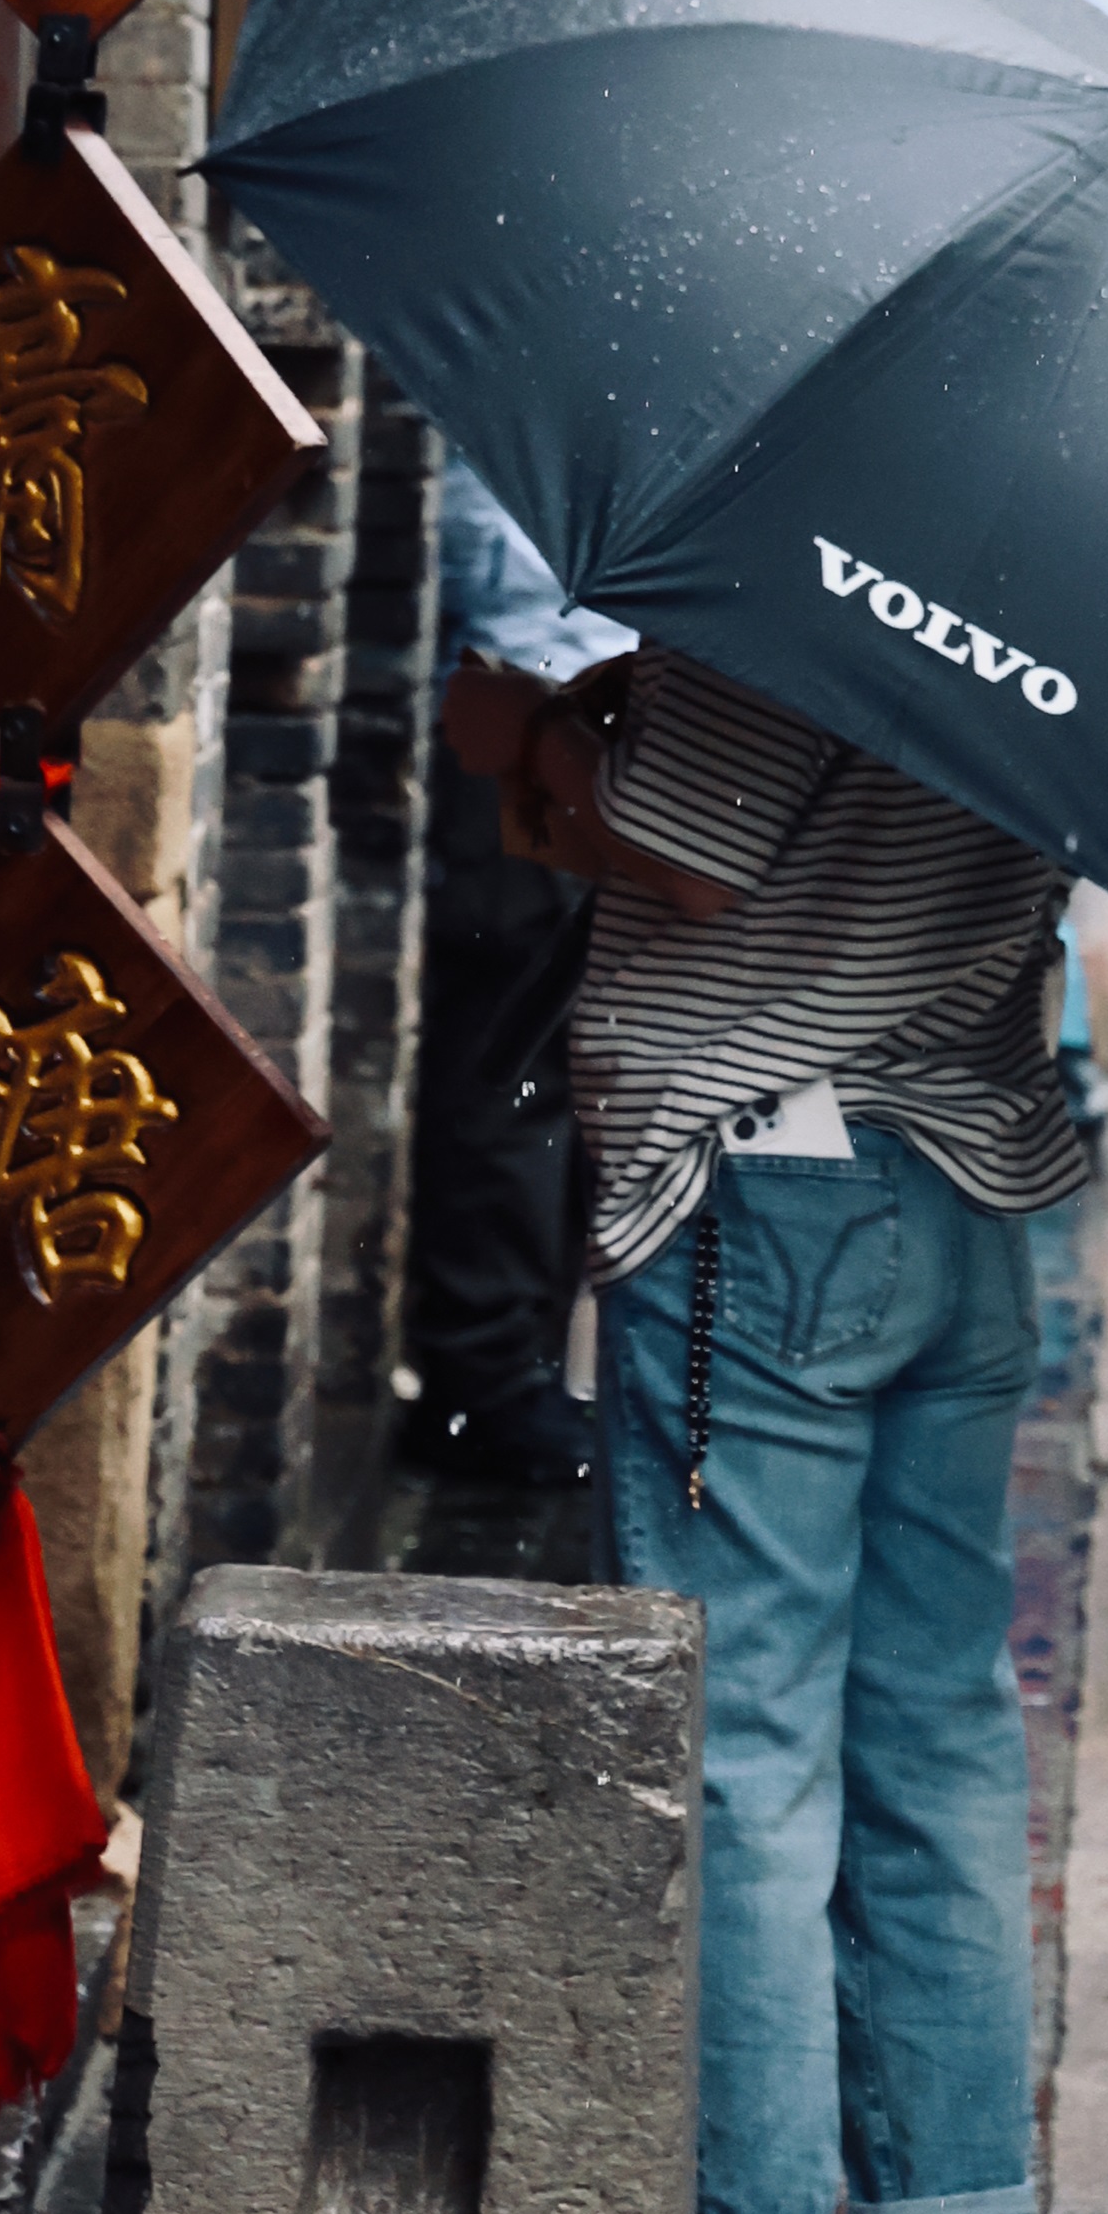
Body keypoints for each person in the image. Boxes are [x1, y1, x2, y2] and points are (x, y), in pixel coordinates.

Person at [557, 635, 1088, 2214]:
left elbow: (679, 843)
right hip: (974, 1188)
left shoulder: (806, 575)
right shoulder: (1098, 597)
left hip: (768, 1195)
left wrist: (538, 741)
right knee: (939, 1729)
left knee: (747, 1741)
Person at [400, 454, 610, 1494]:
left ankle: (516, 1366)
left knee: (565, 1064)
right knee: (512, 1066)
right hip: (530, 717)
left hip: (596, 717)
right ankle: (481, 1379)